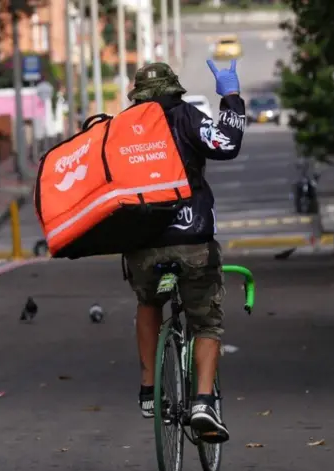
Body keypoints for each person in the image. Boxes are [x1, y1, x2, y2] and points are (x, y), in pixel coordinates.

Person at [123, 60, 245, 443]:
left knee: (148, 302)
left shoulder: (121, 129)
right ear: (175, 91)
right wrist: (231, 97)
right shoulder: (185, 117)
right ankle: (203, 403)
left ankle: (148, 389)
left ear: (137, 95)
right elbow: (226, 144)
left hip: (142, 245)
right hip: (193, 240)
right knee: (205, 322)